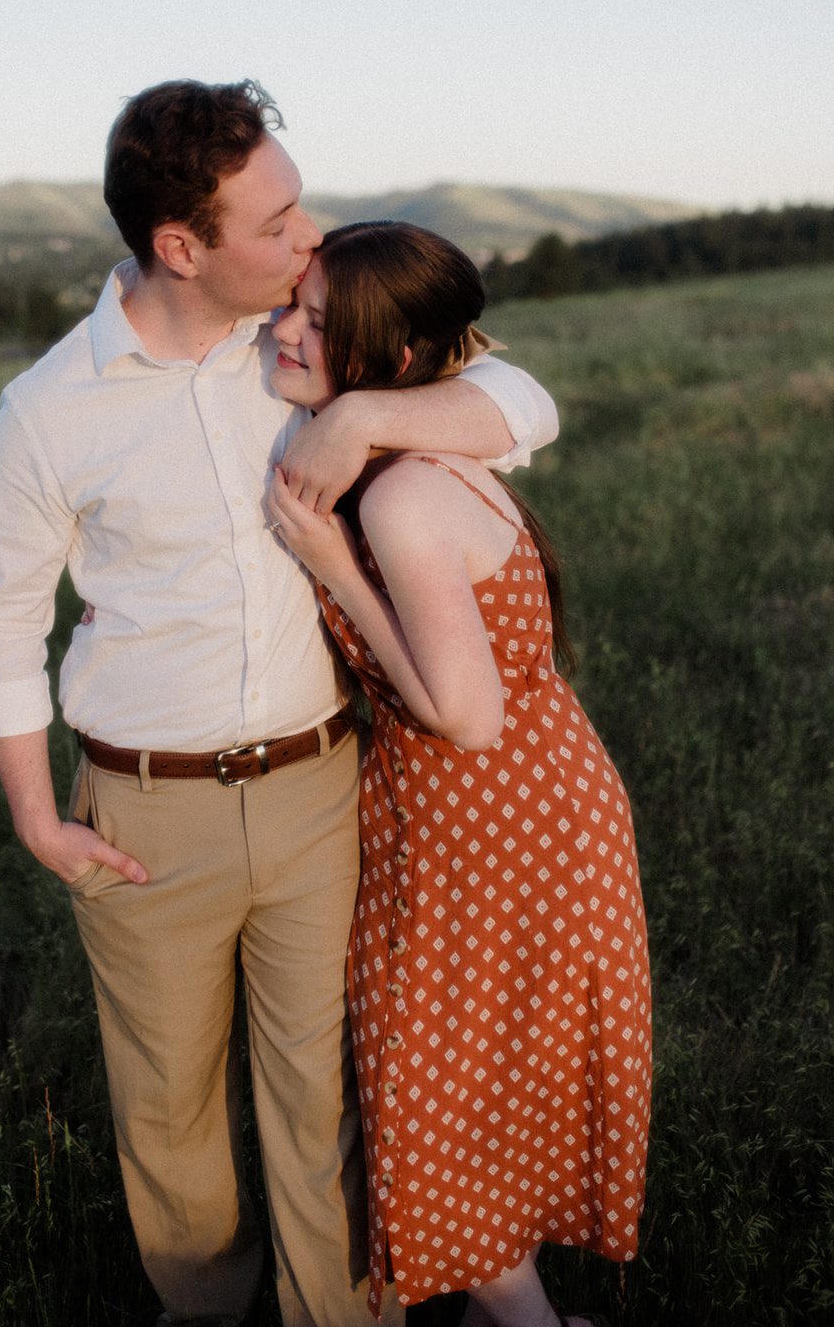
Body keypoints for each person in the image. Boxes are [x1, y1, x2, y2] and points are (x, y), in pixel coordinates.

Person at [0, 80, 559, 1327]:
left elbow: (521, 405)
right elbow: (4, 626)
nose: (310, 236)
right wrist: (35, 816)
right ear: (182, 248)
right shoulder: (44, 414)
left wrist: (368, 421)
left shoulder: (297, 351)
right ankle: (203, 1310)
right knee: (169, 1111)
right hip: (143, 813)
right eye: (278, 219)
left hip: (315, 786)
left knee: (323, 1097)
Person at [267, 222, 651, 1327]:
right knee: (482, 1082)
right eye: (290, 307)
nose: (286, 333)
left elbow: (466, 717)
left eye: (317, 325)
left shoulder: (399, 498)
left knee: (439, 1094)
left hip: (488, 819)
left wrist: (332, 565)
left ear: (391, 363)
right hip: (525, 809)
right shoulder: (433, 447)